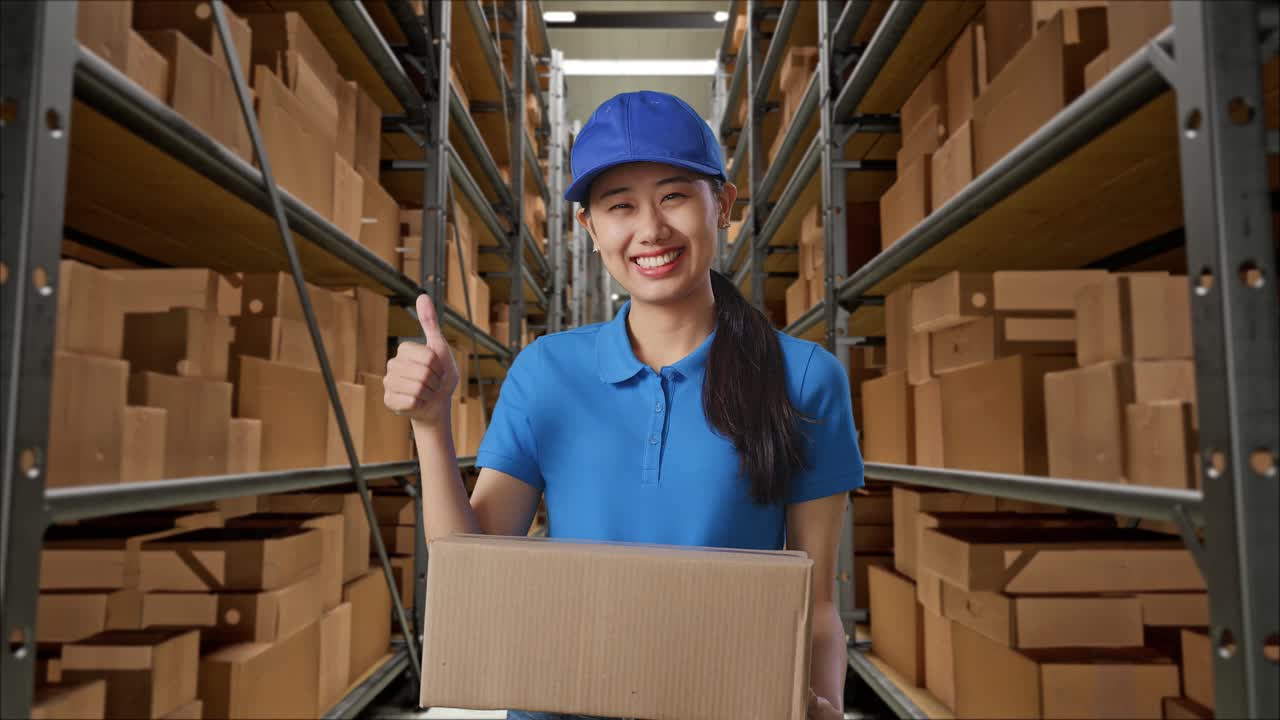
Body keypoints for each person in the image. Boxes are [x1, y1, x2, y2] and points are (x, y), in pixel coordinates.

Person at [384, 91, 863, 720]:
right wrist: (430, 425)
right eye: (620, 206)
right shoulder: (546, 372)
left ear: (722, 204)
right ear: (589, 228)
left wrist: (826, 704)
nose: (651, 230)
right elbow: (473, 570)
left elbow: (817, 605)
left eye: (674, 196)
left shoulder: (804, 378)